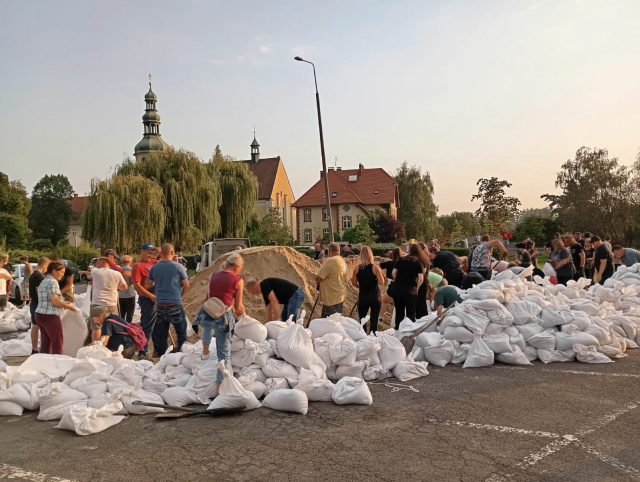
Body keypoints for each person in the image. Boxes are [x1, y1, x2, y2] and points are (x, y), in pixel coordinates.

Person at [192, 252, 245, 386]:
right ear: (237, 267)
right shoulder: (238, 280)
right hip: (223, 317)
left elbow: (212, 294)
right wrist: (242, 313)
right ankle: (221, 386)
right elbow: (238, 306)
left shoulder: (213, 275)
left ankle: (205, 352)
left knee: (207, 328)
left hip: (208, 310)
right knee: (224, 352)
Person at [146, 243, 190, 355]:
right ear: (172, 253)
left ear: (161, 253)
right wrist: (180, 296)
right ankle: (182, 356)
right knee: (181, 333)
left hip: (160, 305)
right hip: (175, 304)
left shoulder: (154, 267)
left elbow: (148, 285)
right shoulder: (178, 266)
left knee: (162, 334)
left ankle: (163, 357)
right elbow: (186, 285)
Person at [35, 261, 79, 354]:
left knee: (46, 342)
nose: (63, 275)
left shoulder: (45, 280)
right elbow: (55, 301)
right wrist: (68, 306)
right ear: (54, 271)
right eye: (61, 272)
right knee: (57, 342)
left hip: (40, 314)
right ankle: (57, 362)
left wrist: (62, 302)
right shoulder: (53, 282)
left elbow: (49, 298)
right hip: (50, 315)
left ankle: (43, 361)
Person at [86, 257, 128, 342]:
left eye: (97, 262)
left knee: (96, 327)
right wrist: (115, 287)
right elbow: (124, 287)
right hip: (112, 304)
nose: (95, 265)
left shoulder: (95, 271)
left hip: (98, 303)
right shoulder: (117, 274)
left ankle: (96, 347)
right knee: (109, 325)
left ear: (101, 262)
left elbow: (92, 271)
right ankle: (107, 347)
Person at [131, 243, 158, 358]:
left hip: (156, 297)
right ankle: (142, 351)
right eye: (148, 252)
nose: (150, 254)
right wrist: (150, 296)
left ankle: (157, 349)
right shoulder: (138, 266)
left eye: (152, 252)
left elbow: (168, 260)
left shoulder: (153, 263)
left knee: (158, 325)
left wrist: (161, 252)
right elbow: (136, 286)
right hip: (147, 299)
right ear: (142, 251)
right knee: (146, 325)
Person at [351, 246, 384, 333]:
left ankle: (363, 337)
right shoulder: (375, 267)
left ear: (361, 255)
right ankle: (373, 337)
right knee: (374, 320)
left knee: (362, 320)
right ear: (371, 255)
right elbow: (381, 282)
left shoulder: (357, 268)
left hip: (363, 296)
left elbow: (354, 283)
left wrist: (361, 286)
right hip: (375, 295)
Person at [391, 243, 424, 328]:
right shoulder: (418, 263)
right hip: (410, 290)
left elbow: (393, 273)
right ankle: (409, 332)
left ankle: (397, 330)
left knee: (399, 312)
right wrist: (417, 287)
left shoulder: (400, 260)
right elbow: (420, 279)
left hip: (398, 288)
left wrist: (396, 280)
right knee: (411, 314)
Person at [315, 242, 348, 317]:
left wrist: (318, 284)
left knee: (327, 323)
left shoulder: (331, 261)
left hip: (331, 298)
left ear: (329, 250)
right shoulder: (342, 260)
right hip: (339, 295)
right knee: (335, 321)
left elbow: (318, 277)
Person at [28, 257, 50, 354]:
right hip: (38, 304)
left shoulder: (33, 275)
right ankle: (40, 349)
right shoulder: (39, 276)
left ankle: (34, 349)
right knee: (41, 327)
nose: (47, 269)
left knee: (35, 325)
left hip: (33, 303)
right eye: (47, 266)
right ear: (44, 265)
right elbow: (39, 291)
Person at [379, 248, 403, 323]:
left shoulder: (390, 263)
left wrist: (381, 275)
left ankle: (380, 316)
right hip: (403, 283)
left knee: (385, 300)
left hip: (392, 283)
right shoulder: (404, 263)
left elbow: (377, 266)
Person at [415, 243, 433, 319]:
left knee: (420, 303)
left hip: (421, 283)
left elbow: (422, 273)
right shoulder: (426, 258)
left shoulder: (422, 260)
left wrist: (417, 286)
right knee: (421, 302)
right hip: (424, 282)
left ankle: (422, 319)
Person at [118, 255, 137, 323]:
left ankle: (122, 328)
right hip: (130, 294)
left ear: (122, 261)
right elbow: (133, 282)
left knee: (121, 314)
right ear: (130, 261)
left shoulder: (118, 271)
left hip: (120, 295)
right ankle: (128, 328)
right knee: (130, 314)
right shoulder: (132, 270)